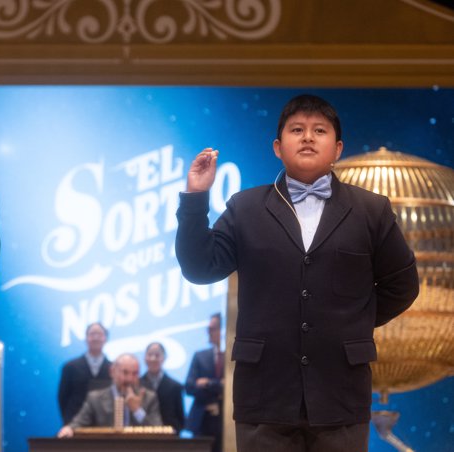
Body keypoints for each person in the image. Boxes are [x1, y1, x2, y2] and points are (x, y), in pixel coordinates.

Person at [175, 94, 419, 452]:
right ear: (278, 147)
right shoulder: (246, 208)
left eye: (319, 130)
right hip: (264, 395)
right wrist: (195, 198)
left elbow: (403, 285)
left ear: (337, 148)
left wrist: (352, 322)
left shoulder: (371, 210)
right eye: (297, 130)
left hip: (341, 393)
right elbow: (199, 268)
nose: (307, 137)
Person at [57, 353, 162, 437]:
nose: (130, 379)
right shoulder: (95, 398)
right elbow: (78, 423)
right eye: (125, 373)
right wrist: (69, 428)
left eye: (135, 373)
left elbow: (159, 430)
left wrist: (137, 410)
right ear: (112, 372)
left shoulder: (149, 397)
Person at [57, 322, 112, 424]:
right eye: (92, 334)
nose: (95, 338)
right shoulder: (70, 367)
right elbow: (63, 397)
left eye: (99, 334)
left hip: (105, 425)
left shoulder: (113, 368)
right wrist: (68, 422)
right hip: (75, 424)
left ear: (105, 339)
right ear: (86, 338)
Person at [185, 313, 224, 451]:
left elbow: (230, 388)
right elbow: (189, 387)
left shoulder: (232, 357)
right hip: (201, 422)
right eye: (208, 328)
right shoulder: (200, 356)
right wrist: (218, 386)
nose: (209, 332)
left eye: (213, 328)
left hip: (226, 422)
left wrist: (207, 383)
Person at [140, 342, 185, 434]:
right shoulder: (136, 384)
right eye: (149, 355)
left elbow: (181, 419)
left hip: (168, 439)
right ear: (144, 358)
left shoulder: (175, 386)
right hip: (141, 436)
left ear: (164, 358)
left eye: (157, 355)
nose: (153, 359)